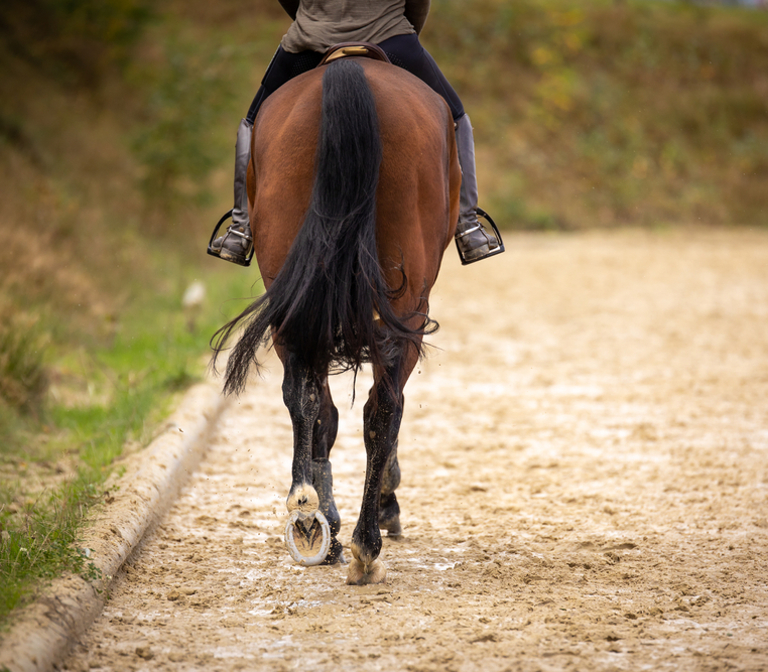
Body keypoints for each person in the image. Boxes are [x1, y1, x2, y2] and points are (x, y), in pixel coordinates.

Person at [209, 0, 503, 266]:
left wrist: (314, 17)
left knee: (252, 121)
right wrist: (405, 28)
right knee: (457, 116)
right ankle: (468, 225)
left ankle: (240, 229)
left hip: (309, 40)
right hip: (391, 38)